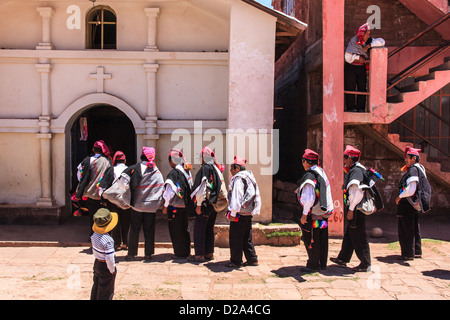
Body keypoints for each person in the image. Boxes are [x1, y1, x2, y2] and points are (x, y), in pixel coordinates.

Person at [330, 145, 371, 272]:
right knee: (350, 233)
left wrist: (351, 209)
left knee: (358, 235)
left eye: (345, 157)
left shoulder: (356, 171)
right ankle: (343, 258)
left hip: (356, 209)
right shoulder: (356, 169)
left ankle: (365, 263)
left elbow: (356, 191)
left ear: (350, 158)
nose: (343, 160)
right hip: (355, 207)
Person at [123, 147, 164, 261]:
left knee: (134, 229)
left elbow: (124, 184)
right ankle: (148, 254)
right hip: (151, 207)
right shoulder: (156, 171)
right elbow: (161, 187)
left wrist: (126, 199)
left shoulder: (136, 168)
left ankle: (131, 254)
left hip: (137, 206)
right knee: (149, 229)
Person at [296, 149, 334, 272]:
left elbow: (309, 198)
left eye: (303, 161)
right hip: (323, 215)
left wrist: (304, 215)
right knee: (322, 238)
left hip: (313, 215)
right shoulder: (321, 172)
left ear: (307, 162)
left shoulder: (309, 176)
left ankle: (313, 264)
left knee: (311, 238)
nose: (302, 163)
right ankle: (322, 263)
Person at [189, 146, 227, 262]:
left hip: (205, 204)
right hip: (213, 205)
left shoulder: (205, 169)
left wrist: (199, 204)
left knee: (200, 229)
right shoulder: (216, 168)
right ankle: (209, 253)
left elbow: (202, 188)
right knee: (209, 228)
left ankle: (199, 255)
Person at [226, 156, 261, 268]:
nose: (230, 170)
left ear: (237, 168)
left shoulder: (239, 179)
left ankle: (236, 261)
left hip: (239, 213)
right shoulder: (249, 177)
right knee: (247, 236)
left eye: (232, 167)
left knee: (235, 237)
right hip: (248, 212)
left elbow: (237, 197)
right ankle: (252, 259)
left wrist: (232, 213)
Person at [344, 22, 385, 112]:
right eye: (367, 34)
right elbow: (347, 57)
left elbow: (382, 41)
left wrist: (370, 45)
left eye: (369, 34)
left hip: (361, 68)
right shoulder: (354, 41)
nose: (368, 36)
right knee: (350, 87)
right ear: (362, 34)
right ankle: (351, 108)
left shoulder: (368, 41)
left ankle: (360, 108)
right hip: (351, 68)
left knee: (362, 88)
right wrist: (358, 58)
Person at [162, 149, 194, 259]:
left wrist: (165, 206)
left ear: (172, 160)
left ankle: (180, 252)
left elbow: (169, 192)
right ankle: (186, 251)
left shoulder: (174, 173)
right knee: (185, 228)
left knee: (176, 230)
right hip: (185, 206)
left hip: (175, 206)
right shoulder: (187, 171)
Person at [395, 146, 426, 260]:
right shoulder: (420, 168)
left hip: (407, 204)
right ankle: (416, 251)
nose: (405, 160)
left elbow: (411, 189)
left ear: (414, 158)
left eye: (407, 158)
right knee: (414, 227)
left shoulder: (413, 170)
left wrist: (399, 196)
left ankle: (408, 254)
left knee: (406, 229)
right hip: (414, 204)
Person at [75, 140, 111, 236]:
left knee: (92, 215)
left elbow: (80, 175)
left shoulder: (88, 160)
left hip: (91, 193)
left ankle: (93, 235)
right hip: (104, 193)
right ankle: (103, 234)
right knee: (104, 214)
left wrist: (80, 191)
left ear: (93, 149)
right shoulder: (107, 161)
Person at [99, 151, 131, 251]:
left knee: (115, 221)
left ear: (114, 160)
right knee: (126, 221)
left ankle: (116, 244)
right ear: (125, 160)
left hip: (112, 201)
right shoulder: (130, 170)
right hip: (126, 201)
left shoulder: (110, 170)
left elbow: (102, 187)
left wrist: (103, 198)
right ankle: (126, 243)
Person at [90, 208, 118, 300]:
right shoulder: (108, 240)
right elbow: (109, 258)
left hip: (97, 263)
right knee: (106, 290)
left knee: (96, 286)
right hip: (105, 266)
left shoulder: (94, 235)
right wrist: (112, 269)